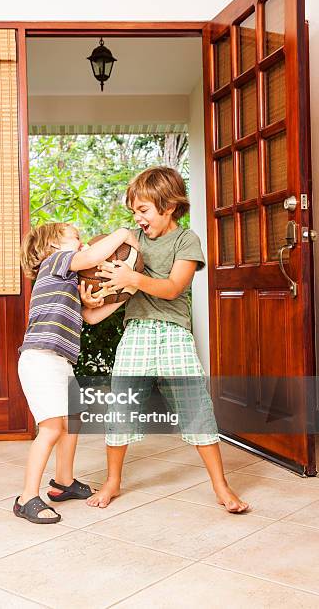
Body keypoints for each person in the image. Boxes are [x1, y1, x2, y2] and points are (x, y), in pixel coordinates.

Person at [81, 166, 249, 514]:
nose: (137, 218)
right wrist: (100, 294)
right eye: (133, 211)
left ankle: (220, 485)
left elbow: (173, 289)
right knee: (121, 406)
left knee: (195, 406)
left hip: (173, 334)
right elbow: (113, 279)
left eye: (143, 210)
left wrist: (132, 278)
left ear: (168, 205)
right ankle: (113, 481)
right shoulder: (132, 241)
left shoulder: (186, 240)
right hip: (137, 331)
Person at [13, 222, 138, 523]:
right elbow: (92, 257)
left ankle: (63, 482)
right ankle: (27, 496)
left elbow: (91, 316)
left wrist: (125, 296)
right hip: (40, 359)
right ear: (51, 247)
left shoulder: (66, 284)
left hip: (59, 361)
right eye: (77, 239)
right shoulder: (54, 262)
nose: (82, 244)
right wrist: (122, 233)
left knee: (72, 420)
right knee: (52, 428)